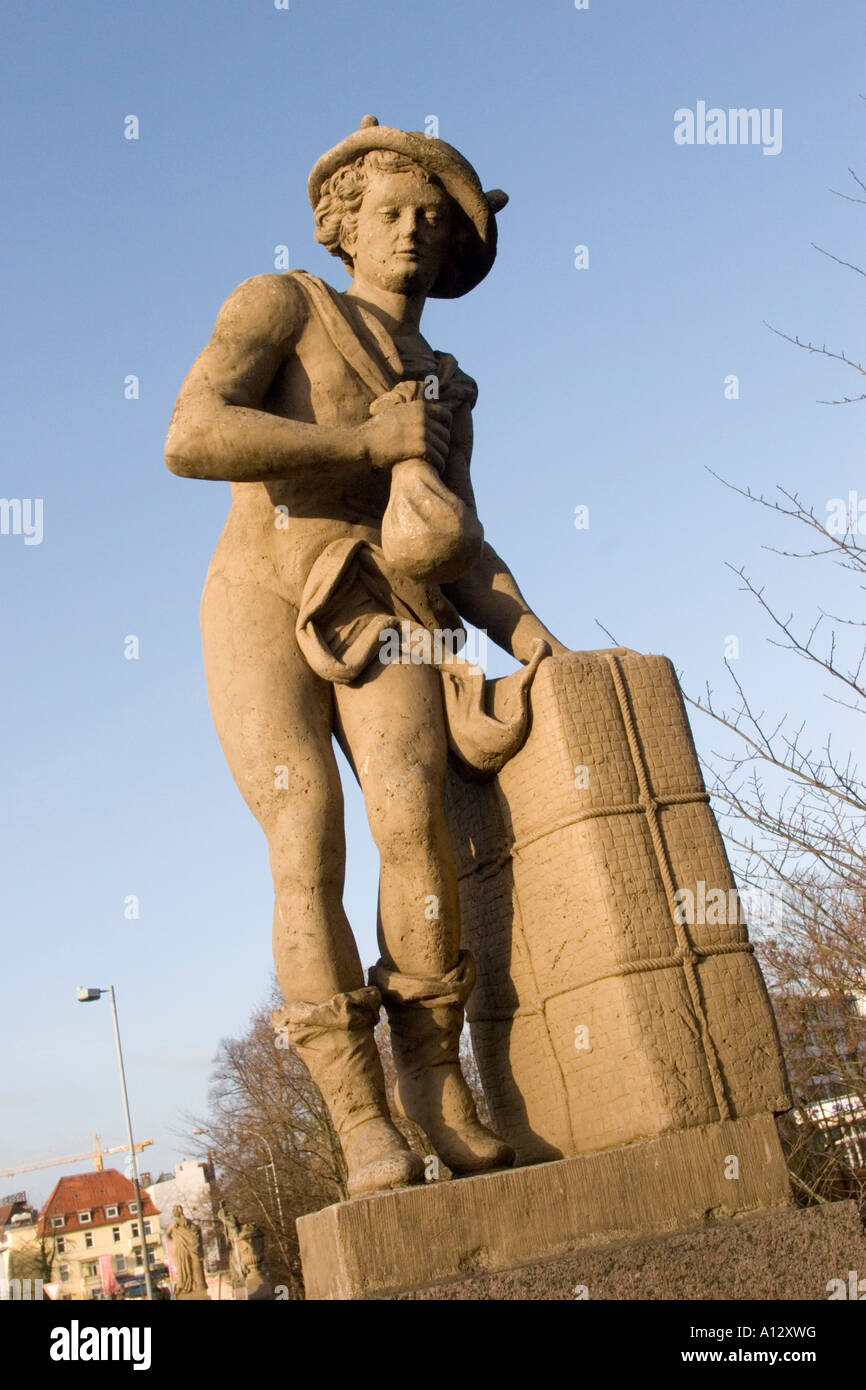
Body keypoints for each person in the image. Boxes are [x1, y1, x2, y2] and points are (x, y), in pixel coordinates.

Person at [166, 117, 567, 1198]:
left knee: (412, 817)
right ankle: (359, 1118)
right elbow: (191, 434)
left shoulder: (443, 383)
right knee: (307, 835)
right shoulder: (281, 304)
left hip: (386, 599)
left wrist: (536, 641)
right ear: (343, 224)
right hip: (260, 590)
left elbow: (458, 538)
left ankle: (438, 1086)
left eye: (429, 223)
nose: (409, 234)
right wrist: (358, 444)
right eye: (389, 213)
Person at [166, 1205, 207, 1295]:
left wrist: (174, 1238)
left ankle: (186, 1286)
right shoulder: (187, 1222)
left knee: (183, 1268)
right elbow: (196, 1230)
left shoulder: (174, 1225)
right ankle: (189, 1285)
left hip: (181, 1249)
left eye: (174, 1211)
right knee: (187, 1266)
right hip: (184, 1248)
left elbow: (167, 1235)